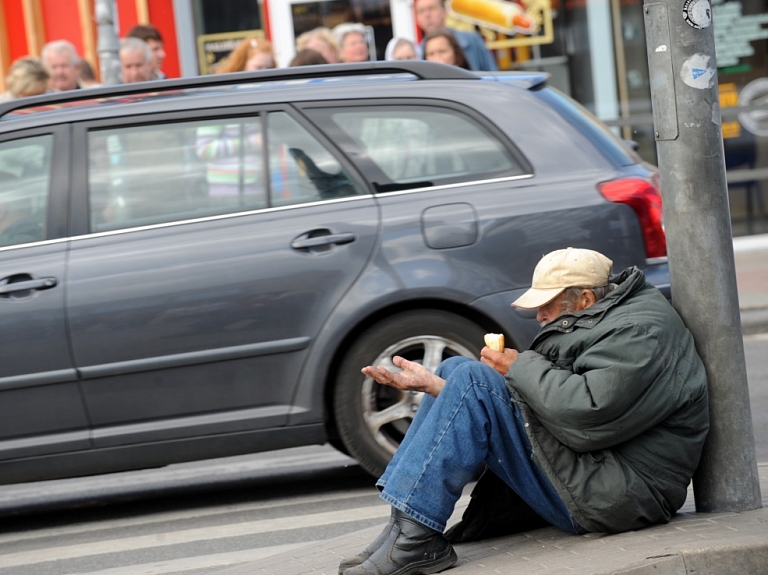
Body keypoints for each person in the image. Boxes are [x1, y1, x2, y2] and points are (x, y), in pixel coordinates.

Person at [339, 247, 709, 575]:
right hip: (600, 471)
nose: (539, 315)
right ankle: (404, 527)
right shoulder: (607, 317)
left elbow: (585, 416)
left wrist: (518, 367)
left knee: (472, 377)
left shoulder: (640, 332)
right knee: (456, 372)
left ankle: (414, 537)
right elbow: (551, 408)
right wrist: (437, 387)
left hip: (623, 493)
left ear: (582, 299)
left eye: (546, 305)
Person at [414, 0, 497, 71]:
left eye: (431, 8)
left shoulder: (471, 40)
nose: (427, 15)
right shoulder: (417, 53)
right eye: (421, 11)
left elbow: (493, 74)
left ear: (444, 11)